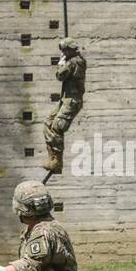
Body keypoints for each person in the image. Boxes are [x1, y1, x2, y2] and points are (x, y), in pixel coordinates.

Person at [43, 39, 87, 174]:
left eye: (64, 50)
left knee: (57, 126)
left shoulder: (75, 61)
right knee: (48, 122)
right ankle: (52, 157)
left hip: (72, 101)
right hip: (65, 99)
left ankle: (57, 161)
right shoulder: (72, 61)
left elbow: (60, 76)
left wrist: (61, 64)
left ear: (70, 50)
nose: (63, 53)